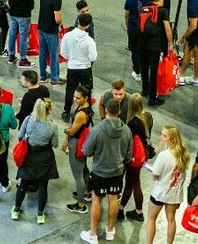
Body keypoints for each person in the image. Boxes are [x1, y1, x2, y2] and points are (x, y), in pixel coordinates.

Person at [79, 97, 133, 244]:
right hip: (117, 172)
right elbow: (129, 155)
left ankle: (93, 234)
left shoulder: (97, 130)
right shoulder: (127, 130)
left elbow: (86, 151)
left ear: (106, 110)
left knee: (96, 200)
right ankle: (110, 230)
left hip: (99, 172)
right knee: (113, 199)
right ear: (120, 111)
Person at [11, 98, 59, 224]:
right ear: (49, 110)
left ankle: (16, 210)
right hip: (45, 158)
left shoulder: (28, 119)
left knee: (23, 183)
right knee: (43, 186)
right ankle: (40, 214)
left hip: (29, 156)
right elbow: (55, 144)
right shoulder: (53, 126)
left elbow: (20, 136)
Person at [145, 125, 189, 244]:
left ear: (172, 139)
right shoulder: (184, 155)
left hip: (160, 192)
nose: (161, 137)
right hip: (174, 194)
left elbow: (155, 175)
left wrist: (154, 173)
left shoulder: (164, 155)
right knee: (171, 220)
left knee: (151, 218)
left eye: (164, 136)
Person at [138, 0, 172, 106]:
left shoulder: (144, 9)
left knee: (143, 67)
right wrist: (170, 43)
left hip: (142, 43)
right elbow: (167, 28)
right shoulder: (162, 10)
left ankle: (144, 89)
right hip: (155, 45)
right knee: (153, 70)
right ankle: (152, 98)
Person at [120, 94, 151, 222]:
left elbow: (128, 141)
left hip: (134, 156)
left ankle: (138, 212)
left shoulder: (132, 122)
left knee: (134, 183)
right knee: (131, 182)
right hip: (143, 152)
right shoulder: (147, 117)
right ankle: (121, 208)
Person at [61, 12, 97, 121]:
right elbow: (93, 57)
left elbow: (63, 53)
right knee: (86, 89)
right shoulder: (89, 41)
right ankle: (87, 109)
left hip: (72, 67)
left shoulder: (67, 36)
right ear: (88, 25)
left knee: (70, 89)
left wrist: (71, 58)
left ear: (78, 22)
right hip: (85, 68)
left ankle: (67, 110)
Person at [64, 84, 93, 214]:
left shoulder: (81, 114)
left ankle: (81, 204)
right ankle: (87, 192)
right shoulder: (85, 108)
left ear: (85, 98)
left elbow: (72, 131)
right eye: (74, 97)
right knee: (84, 169)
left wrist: (65, 131)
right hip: (83, 142)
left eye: (78, 98)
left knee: (78, 175)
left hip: (76, 144)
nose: (75, 100)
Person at [38, 0, 70, 86]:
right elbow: (58, 19)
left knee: (42, 52)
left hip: (41, 28)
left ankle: (42, 75)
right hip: (51, 31)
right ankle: (55, 79)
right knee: (54, 55)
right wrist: (61, 22)